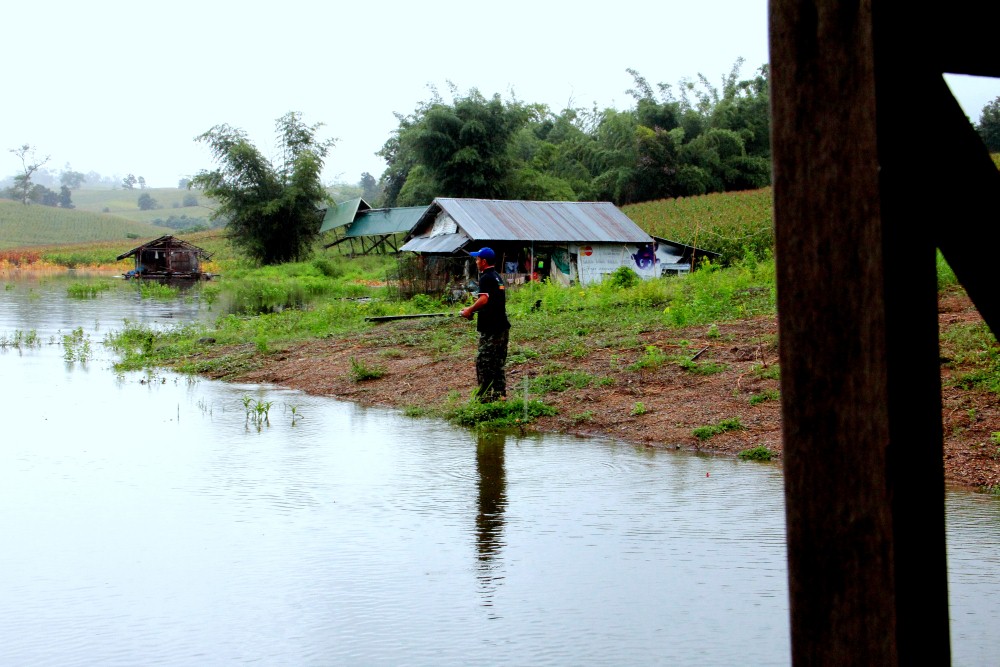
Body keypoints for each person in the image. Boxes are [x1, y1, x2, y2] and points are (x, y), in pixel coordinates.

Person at [460, 247, 510, 401]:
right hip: (501, 327)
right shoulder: (496, 277)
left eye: (477, 259)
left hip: (492, 330)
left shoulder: (485, 278)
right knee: (497, 364)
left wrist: (469, 310)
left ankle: (485, 399)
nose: (476, 262)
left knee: (484, 363)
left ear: (484, 261)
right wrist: (471, 311)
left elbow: (484, 300)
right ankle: (500, 396)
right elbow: (492, 303)